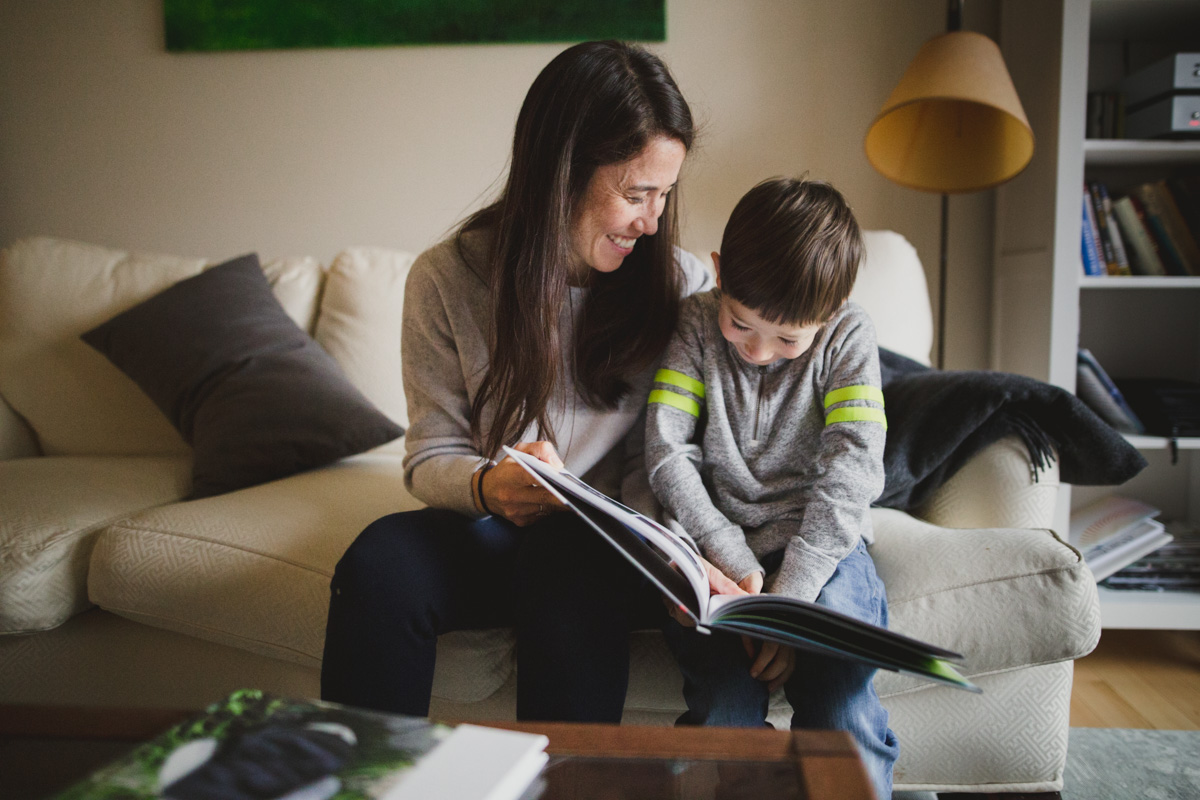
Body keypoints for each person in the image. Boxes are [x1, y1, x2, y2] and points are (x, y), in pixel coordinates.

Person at [319, 40, 714, 722]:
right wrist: (486, 486)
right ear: (562, 171)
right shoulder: (448, 278)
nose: (651, 222)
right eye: (635, 193)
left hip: (620, 553)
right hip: (500, 531)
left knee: (571, 555)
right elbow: (431, 454)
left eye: (664, 196)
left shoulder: (683, 288)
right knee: (379, 563)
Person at [644, 177, 899, 798]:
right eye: (741, 323)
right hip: (718, 548)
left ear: (831, 312)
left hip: (818, 546)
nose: (760, 351)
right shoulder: (695, 323)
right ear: (719, 274)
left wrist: (789, 609)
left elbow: (853, 468)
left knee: (841, 703)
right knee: (722, 713)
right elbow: (666, 449)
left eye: (788, 339)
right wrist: (724, 552)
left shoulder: (848, 336)